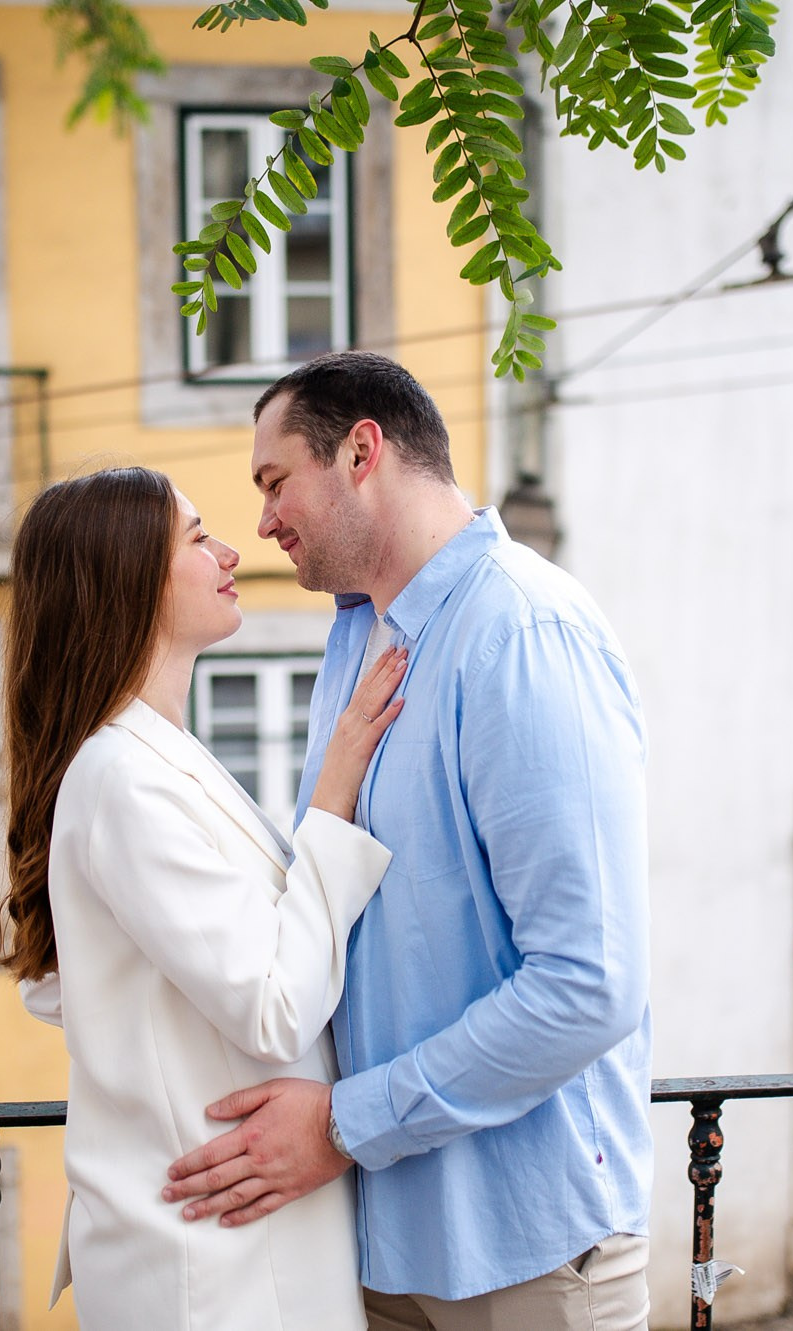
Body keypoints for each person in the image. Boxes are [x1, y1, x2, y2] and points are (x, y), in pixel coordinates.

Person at [161, 352, 655, 1330]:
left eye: (271, 481)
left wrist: (344, 1125)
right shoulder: (354, 640)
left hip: (527, 1257)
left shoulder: (521, 631)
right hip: (381, 1246)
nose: (259, 521)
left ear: (359, 451)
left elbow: (590, 978)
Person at [0, 465, 410, 1331]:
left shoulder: (150, 758)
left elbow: (82, 985)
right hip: (214, 1270)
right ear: (128, 579)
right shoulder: (122, 778)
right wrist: (333, 799)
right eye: (195, 536)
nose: (231, 551)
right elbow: (274, 1005)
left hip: (227, 1239)